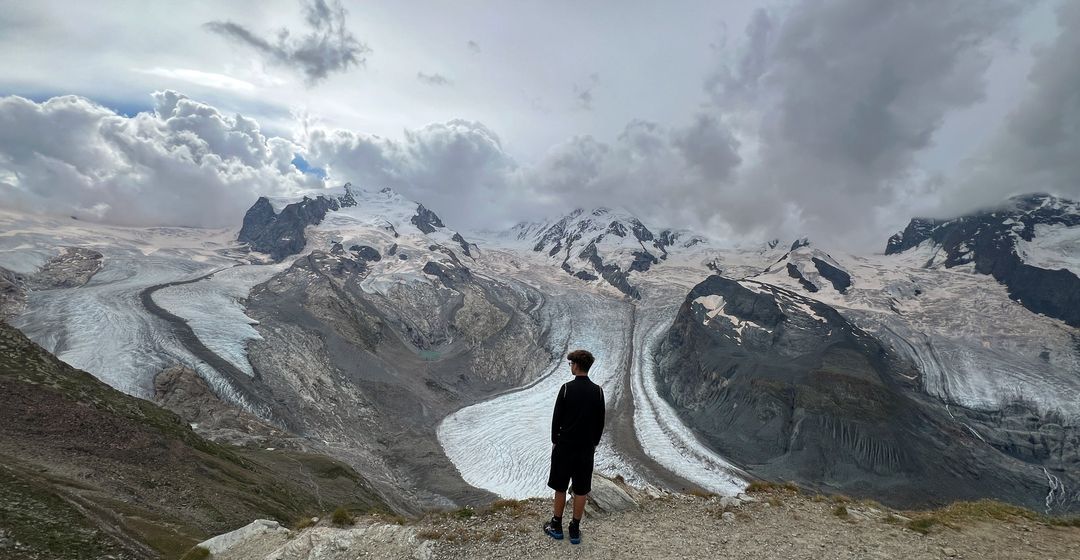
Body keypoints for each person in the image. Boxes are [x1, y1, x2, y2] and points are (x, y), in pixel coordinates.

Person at [543, 349, 605, 545]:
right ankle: (575, 529)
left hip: (565, 446)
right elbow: (600, 422)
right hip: (586, 448)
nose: (570, 366)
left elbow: (556, 419)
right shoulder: (598, 391)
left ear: (576, 365)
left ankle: (556, 525)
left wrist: (555, 441)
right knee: (581, 489)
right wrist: (593, 443)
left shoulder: (567, 389)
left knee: (560, 487)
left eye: (571, 364)